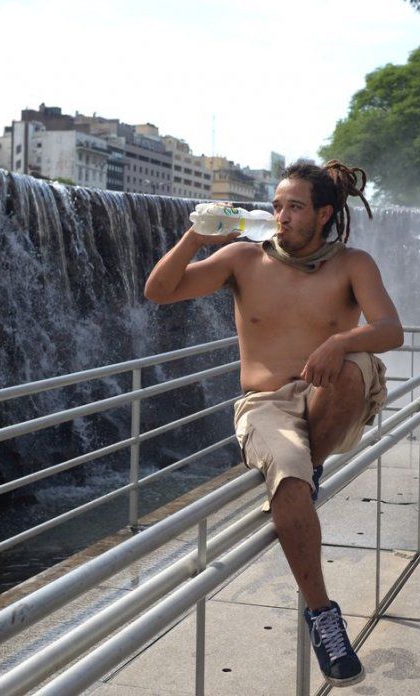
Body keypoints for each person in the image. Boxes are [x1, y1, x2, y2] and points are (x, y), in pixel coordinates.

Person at [144, 159, 403, 687]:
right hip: (266, 406)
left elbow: (390, 330)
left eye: (295, 207)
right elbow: (159, 291)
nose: (281, 216)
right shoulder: (243, 257)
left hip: (328, 396)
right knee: (288, 477)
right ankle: (323, 614)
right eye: (278, 205)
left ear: (323, 214)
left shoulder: (352, 264)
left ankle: (307, 469)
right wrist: (196, 238)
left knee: (353, 363)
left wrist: (340, 341)